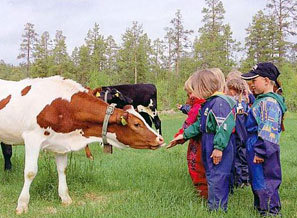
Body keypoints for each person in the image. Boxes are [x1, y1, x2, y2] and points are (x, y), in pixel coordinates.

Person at [168, 69, 236, 212]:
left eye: (193, 91)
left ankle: (218, 210)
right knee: (211, 175)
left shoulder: (219, 103)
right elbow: (199, 124)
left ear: (202, 87)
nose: (191, 95)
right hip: (208, 141)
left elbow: (224, 127)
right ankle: (213, 205)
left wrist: (218, 148)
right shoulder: (208, 103)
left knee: (218, 176)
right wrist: (183, 135)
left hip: (217, 144)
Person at [241, 62, 287, 216]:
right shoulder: (261, 100)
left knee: (265, 180)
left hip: (262, 147)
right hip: (255, 144)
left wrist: (261, 152)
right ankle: (261, 207)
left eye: (254, 81)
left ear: (267, 81)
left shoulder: (269, 102)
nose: (251, 85)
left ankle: (270, 211)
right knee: (257, 178)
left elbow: (269, 130)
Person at [170, 73, 208, 198]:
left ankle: (203, 194)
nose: (189, 97)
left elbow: (189, 123)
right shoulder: (204, 104)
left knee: (196, 166)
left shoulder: (198, 107)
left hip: (198, 143)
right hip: (203, 141)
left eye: (190, 93)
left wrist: (178, 137)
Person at [225, 78, 250, 188]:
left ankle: (239, 180)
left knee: (237, 157)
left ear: (232, 90)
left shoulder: (234, 104)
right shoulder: (245, 103)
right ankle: (244, 179)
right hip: (245, 135)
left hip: (237, 135)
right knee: (243, 156)